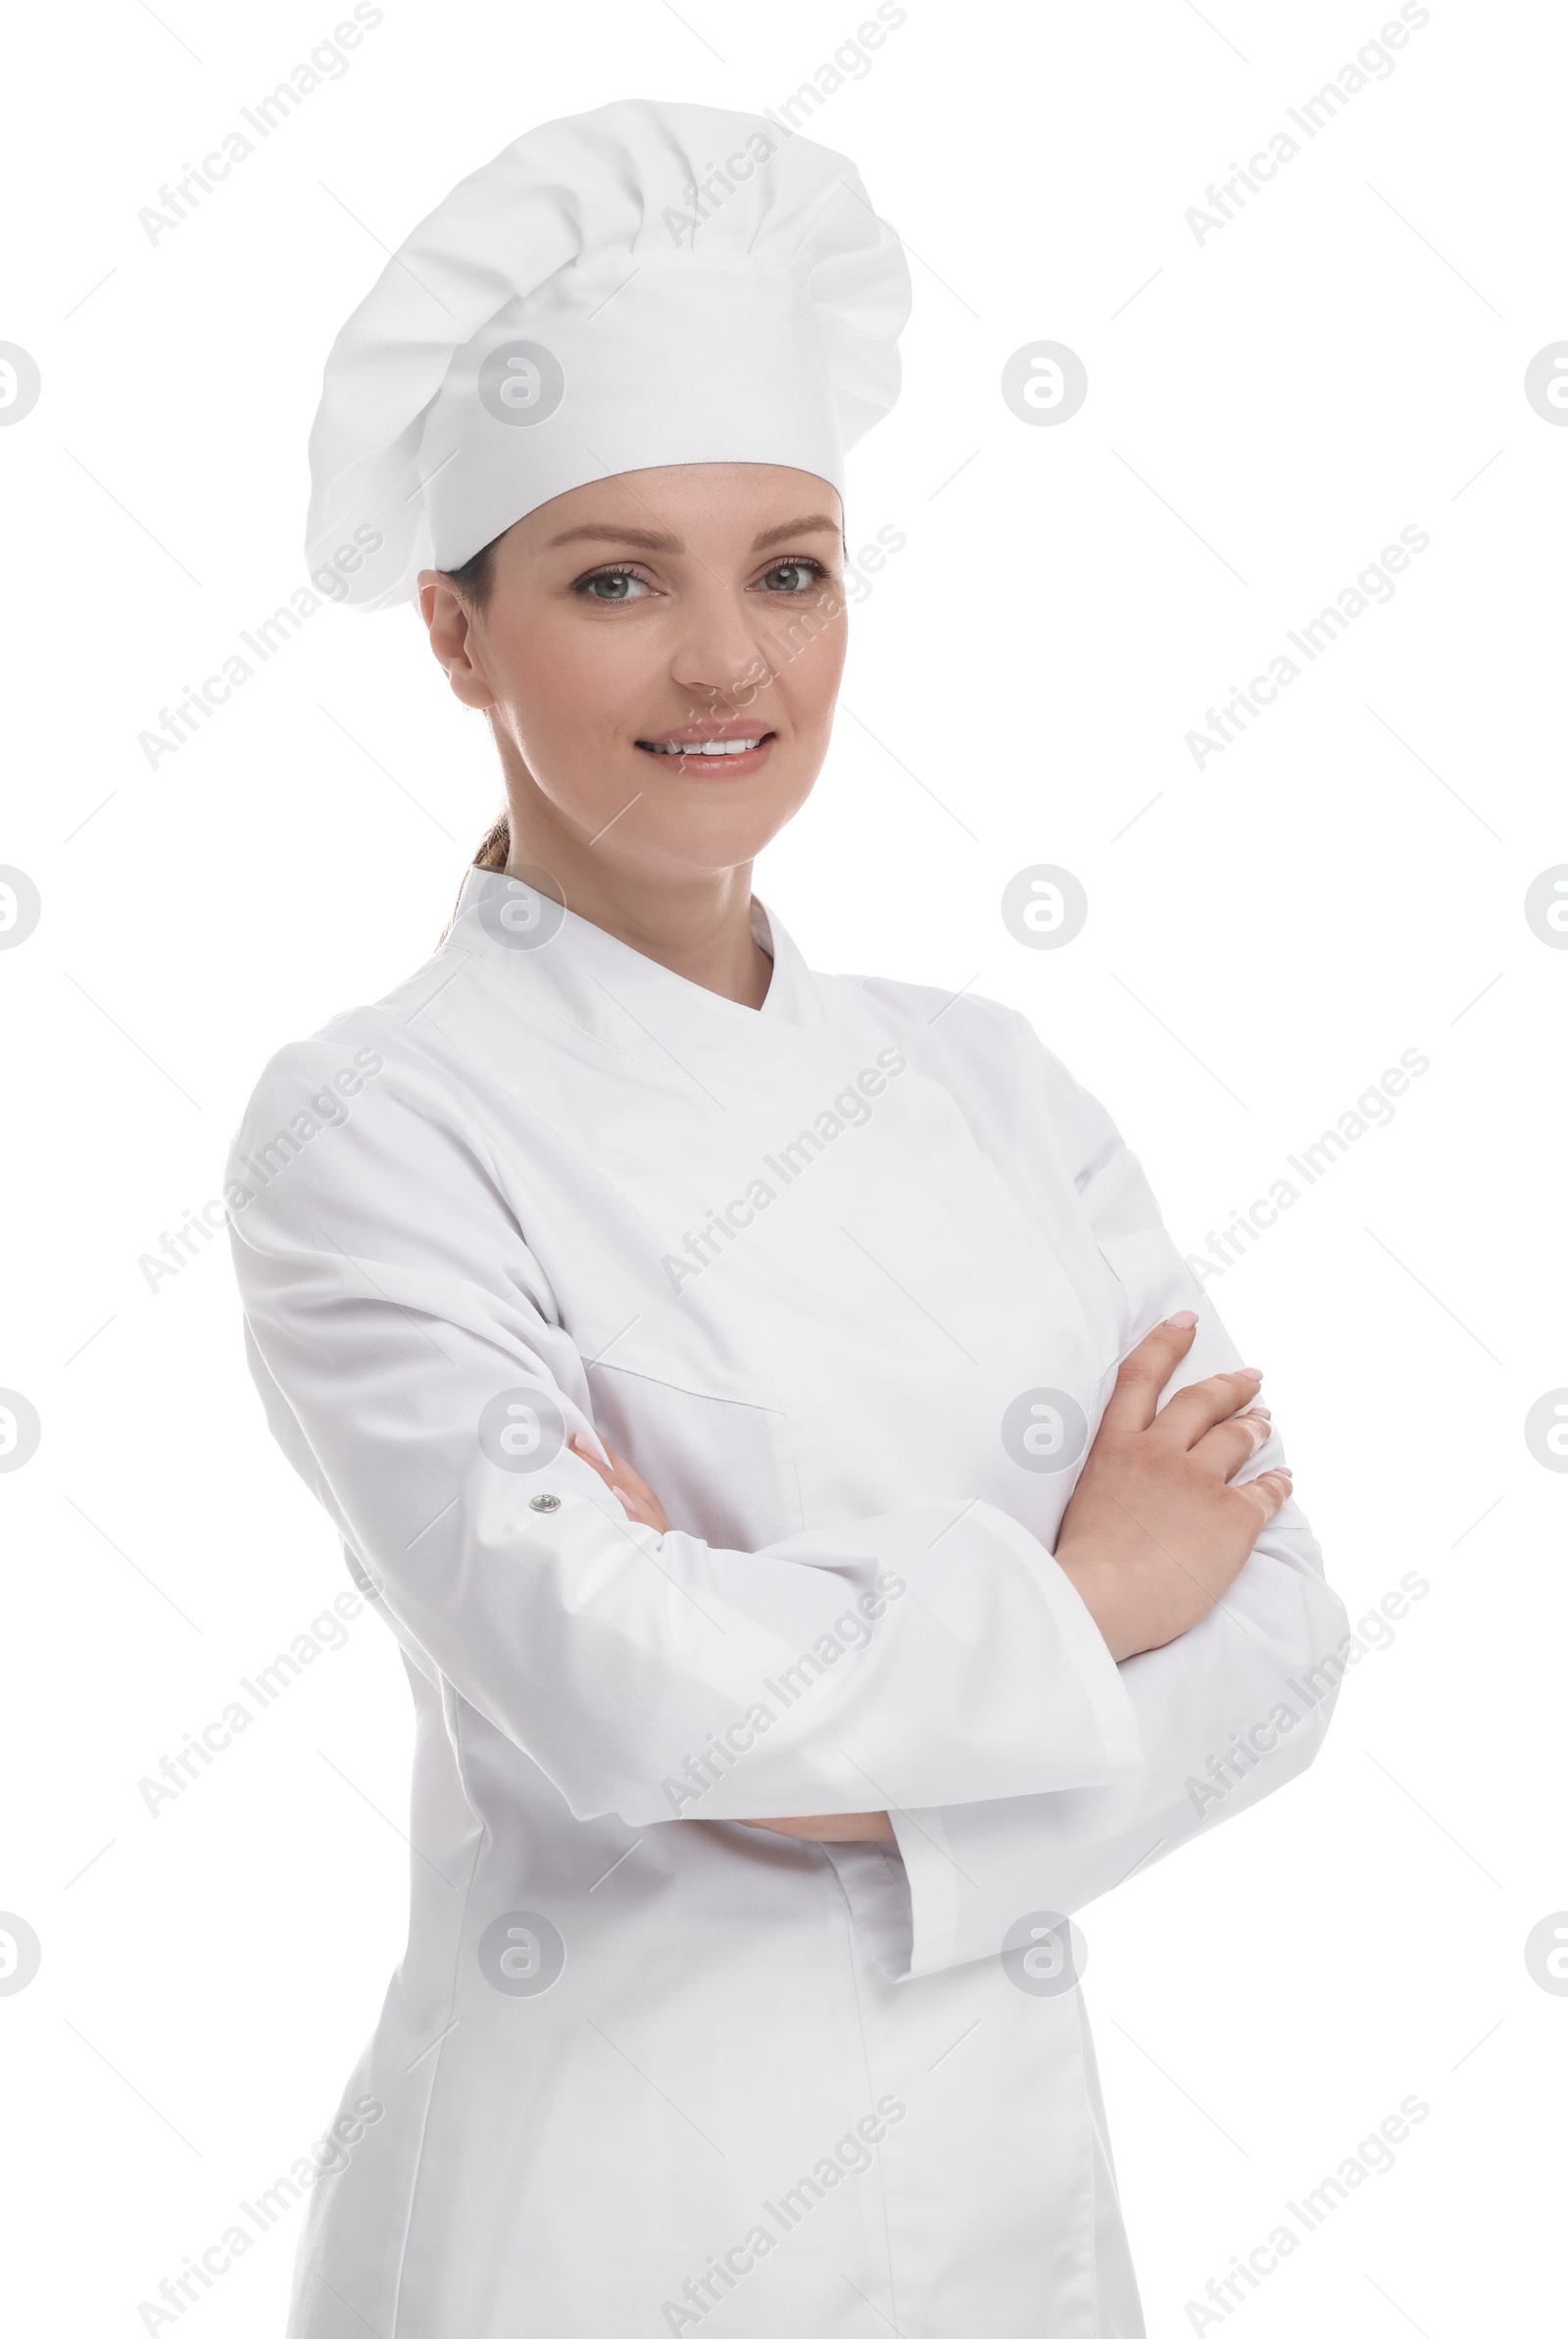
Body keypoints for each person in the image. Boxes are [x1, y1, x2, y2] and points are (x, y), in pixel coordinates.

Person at [226, 97, 1348, 2339]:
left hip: (1016, 2217)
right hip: (593, 2222)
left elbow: (1287, 1638)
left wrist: (821, 1747)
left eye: (793, 567)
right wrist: (1093, 1585)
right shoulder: (371, 1129)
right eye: (614, 578)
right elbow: (624, 1699)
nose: (726, 665)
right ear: (458, 634)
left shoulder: (987, 1080)